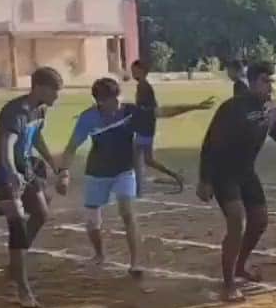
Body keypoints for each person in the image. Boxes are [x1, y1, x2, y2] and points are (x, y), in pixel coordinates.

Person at [59, 77, 214, 286]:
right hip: (97, 172)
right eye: (114, 99)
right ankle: (99, 254)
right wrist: (63, 172)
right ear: (101, 101)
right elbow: (71, 147)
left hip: (124, 170)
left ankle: (135, 262)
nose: (119, 101)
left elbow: (162, 112)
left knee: (128, 213)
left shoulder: (130, 111)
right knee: (92, 221)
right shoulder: (88, 119)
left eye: (119, 96)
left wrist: (194, 106)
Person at [197, 61, 276, 301]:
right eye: (264, 81)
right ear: (251, 82)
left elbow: (275, 131)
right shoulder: (233, 108)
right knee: (236, 222)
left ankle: (241, 264)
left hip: (246, 172)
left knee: (260, 221)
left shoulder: (272, 107)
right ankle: (228, 284)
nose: (270, 85)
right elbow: (210, 144)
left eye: (272, 80)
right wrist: (205, 180)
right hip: (223, 172)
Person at [0, 66, 66, 308]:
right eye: (55, 91)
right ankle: (22, 288)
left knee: (41, 213)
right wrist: (11, 172)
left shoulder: (39, 110)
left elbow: (36, 137)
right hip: (5, 173)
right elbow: (6, 145)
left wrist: (54, 164)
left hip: (26, 170)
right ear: (40, 88)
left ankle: (15, 262)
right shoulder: (16, 112)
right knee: (18, 227)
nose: (57, 97)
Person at [129, 60, 184, 195]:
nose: (132, 73)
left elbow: (149, 108)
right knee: (145, 159)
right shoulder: (143, 86)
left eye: (134, 70)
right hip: (145, 127)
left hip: (145, 128)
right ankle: (174, 176)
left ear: (141, 71)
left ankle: (138, 189)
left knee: (139, 158)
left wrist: (135, 112)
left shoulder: (144, 87)